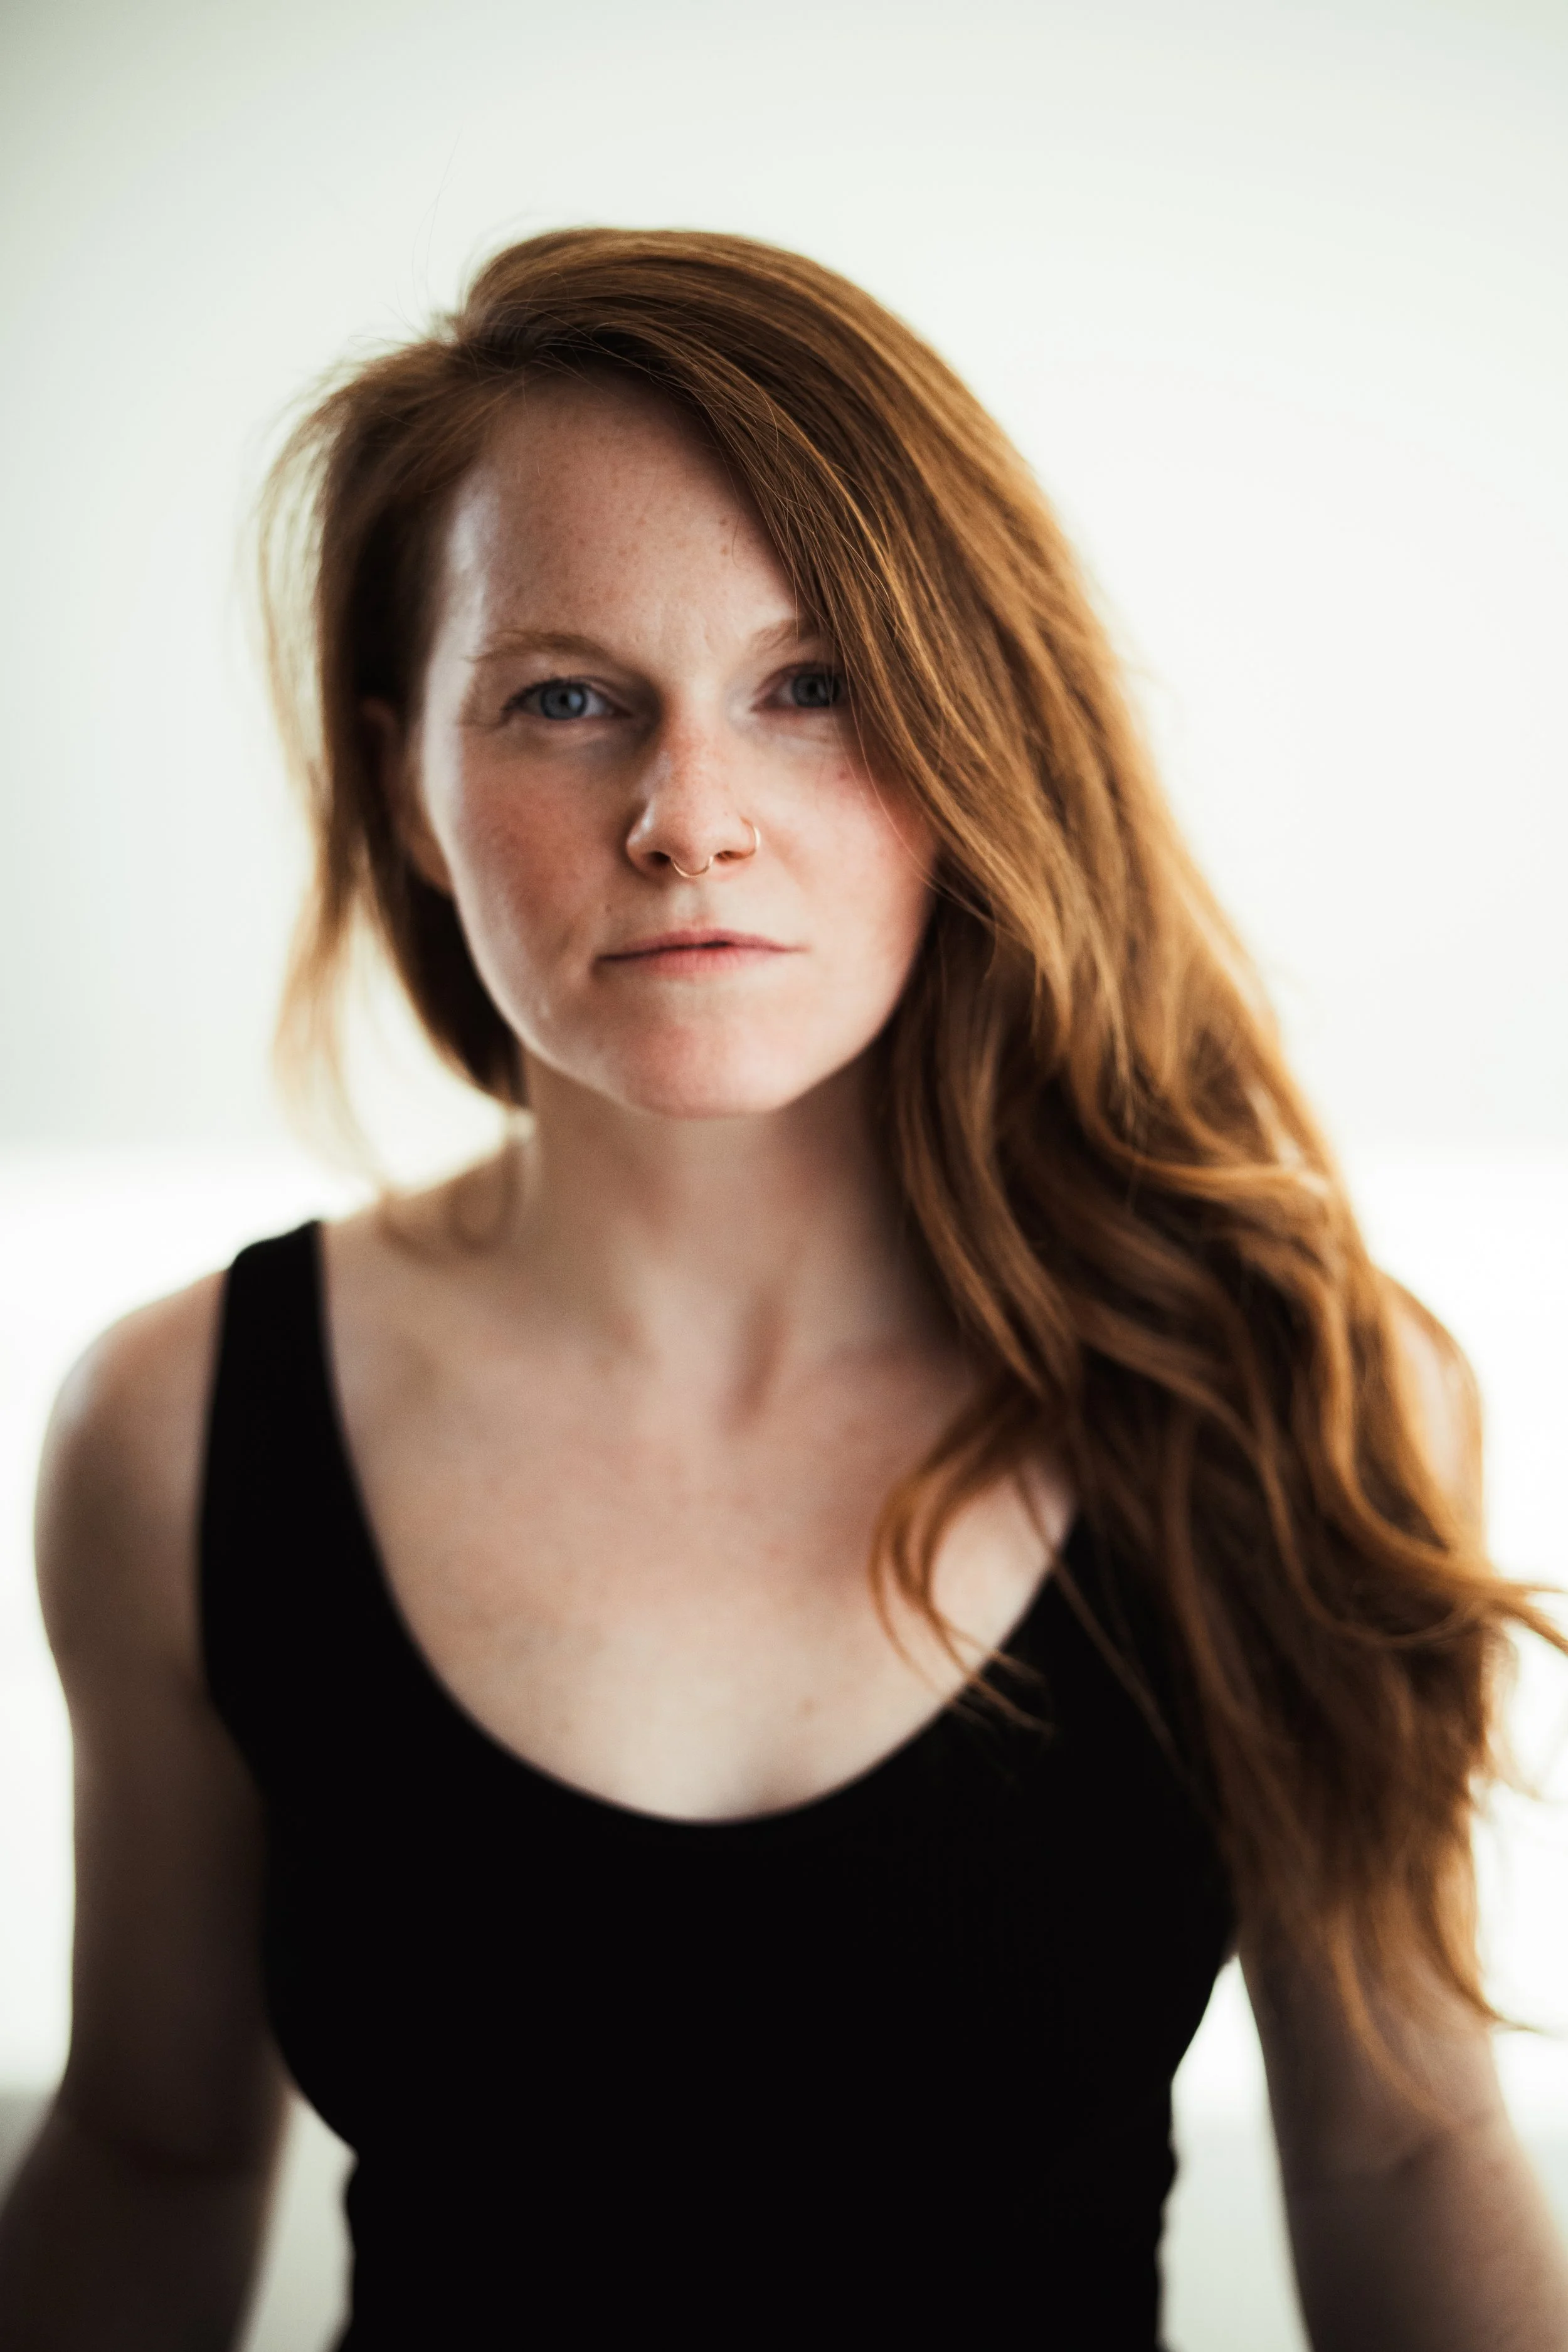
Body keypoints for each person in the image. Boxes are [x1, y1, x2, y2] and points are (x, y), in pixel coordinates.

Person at [0, 227, 1564, 2351]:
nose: (687, 820)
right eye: (565, 698)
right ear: (407, 787)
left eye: (810, 685)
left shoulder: (1284, 1389)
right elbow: (153, 2149)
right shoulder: (176, 1429)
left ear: (971, 737)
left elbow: (1401, 2154)